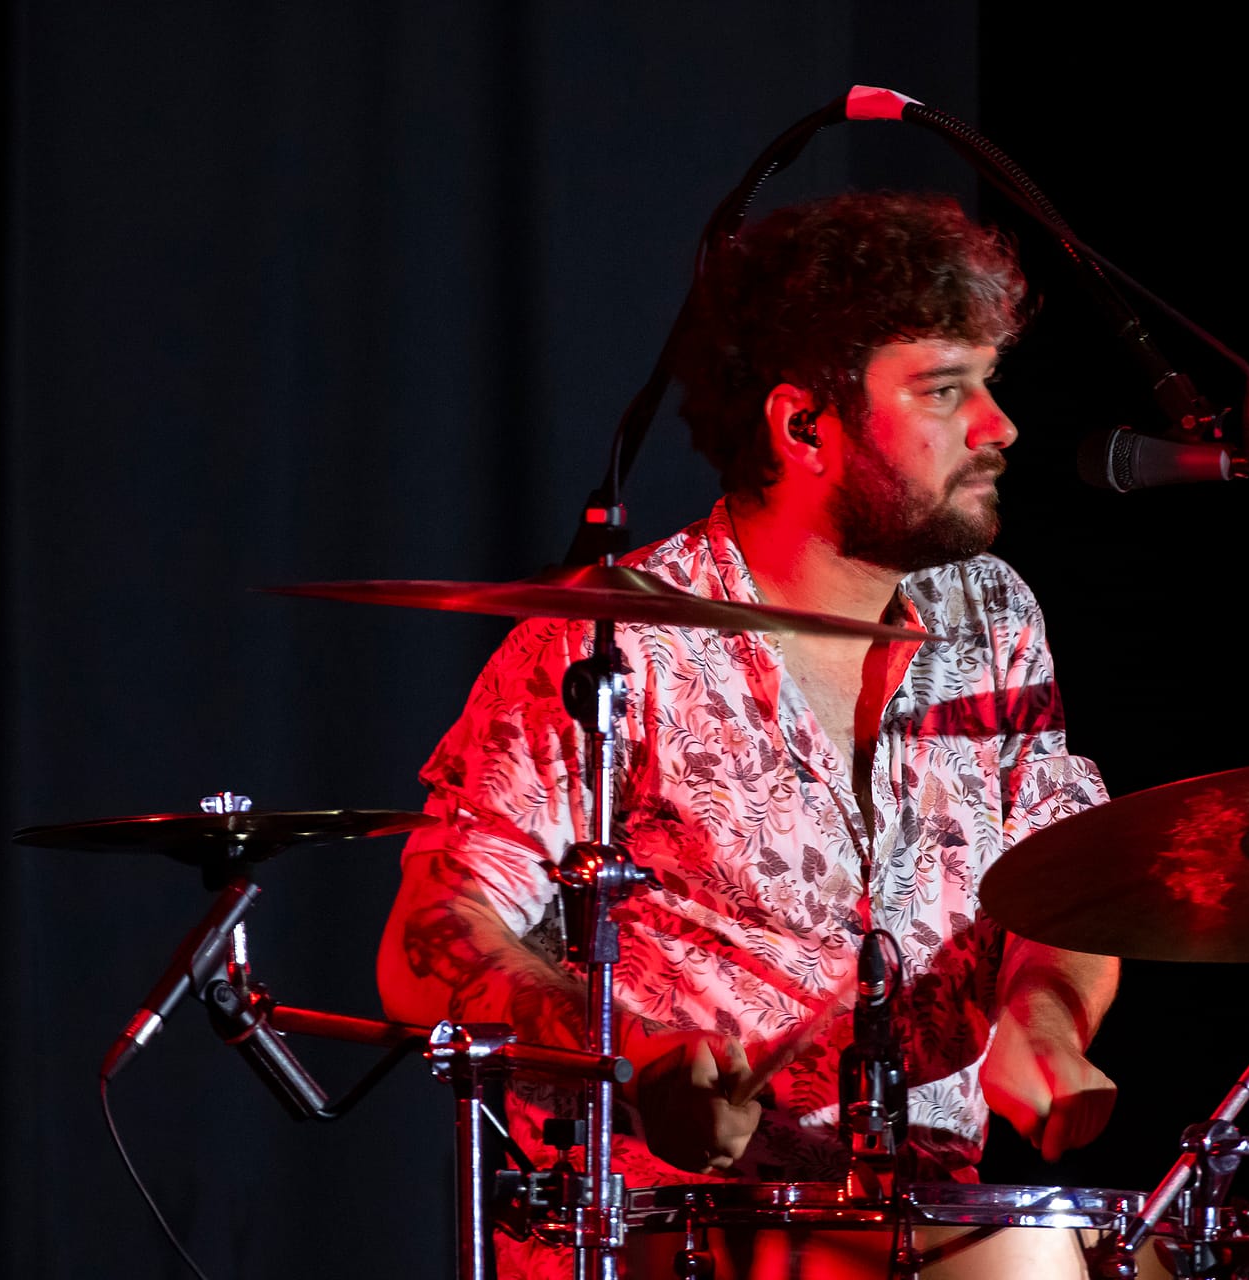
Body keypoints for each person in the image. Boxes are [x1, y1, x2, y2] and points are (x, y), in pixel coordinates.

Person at [377, 191, 1120, 1276]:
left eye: (989, 382)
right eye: (945, 389)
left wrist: (1043, 1019)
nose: (997, 425)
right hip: (670, 1233)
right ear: (804, 425)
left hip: (923, 1215)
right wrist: (634, 1058)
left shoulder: (992, 614)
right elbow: (432, 934)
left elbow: (1071, 877)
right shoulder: (614, 646)